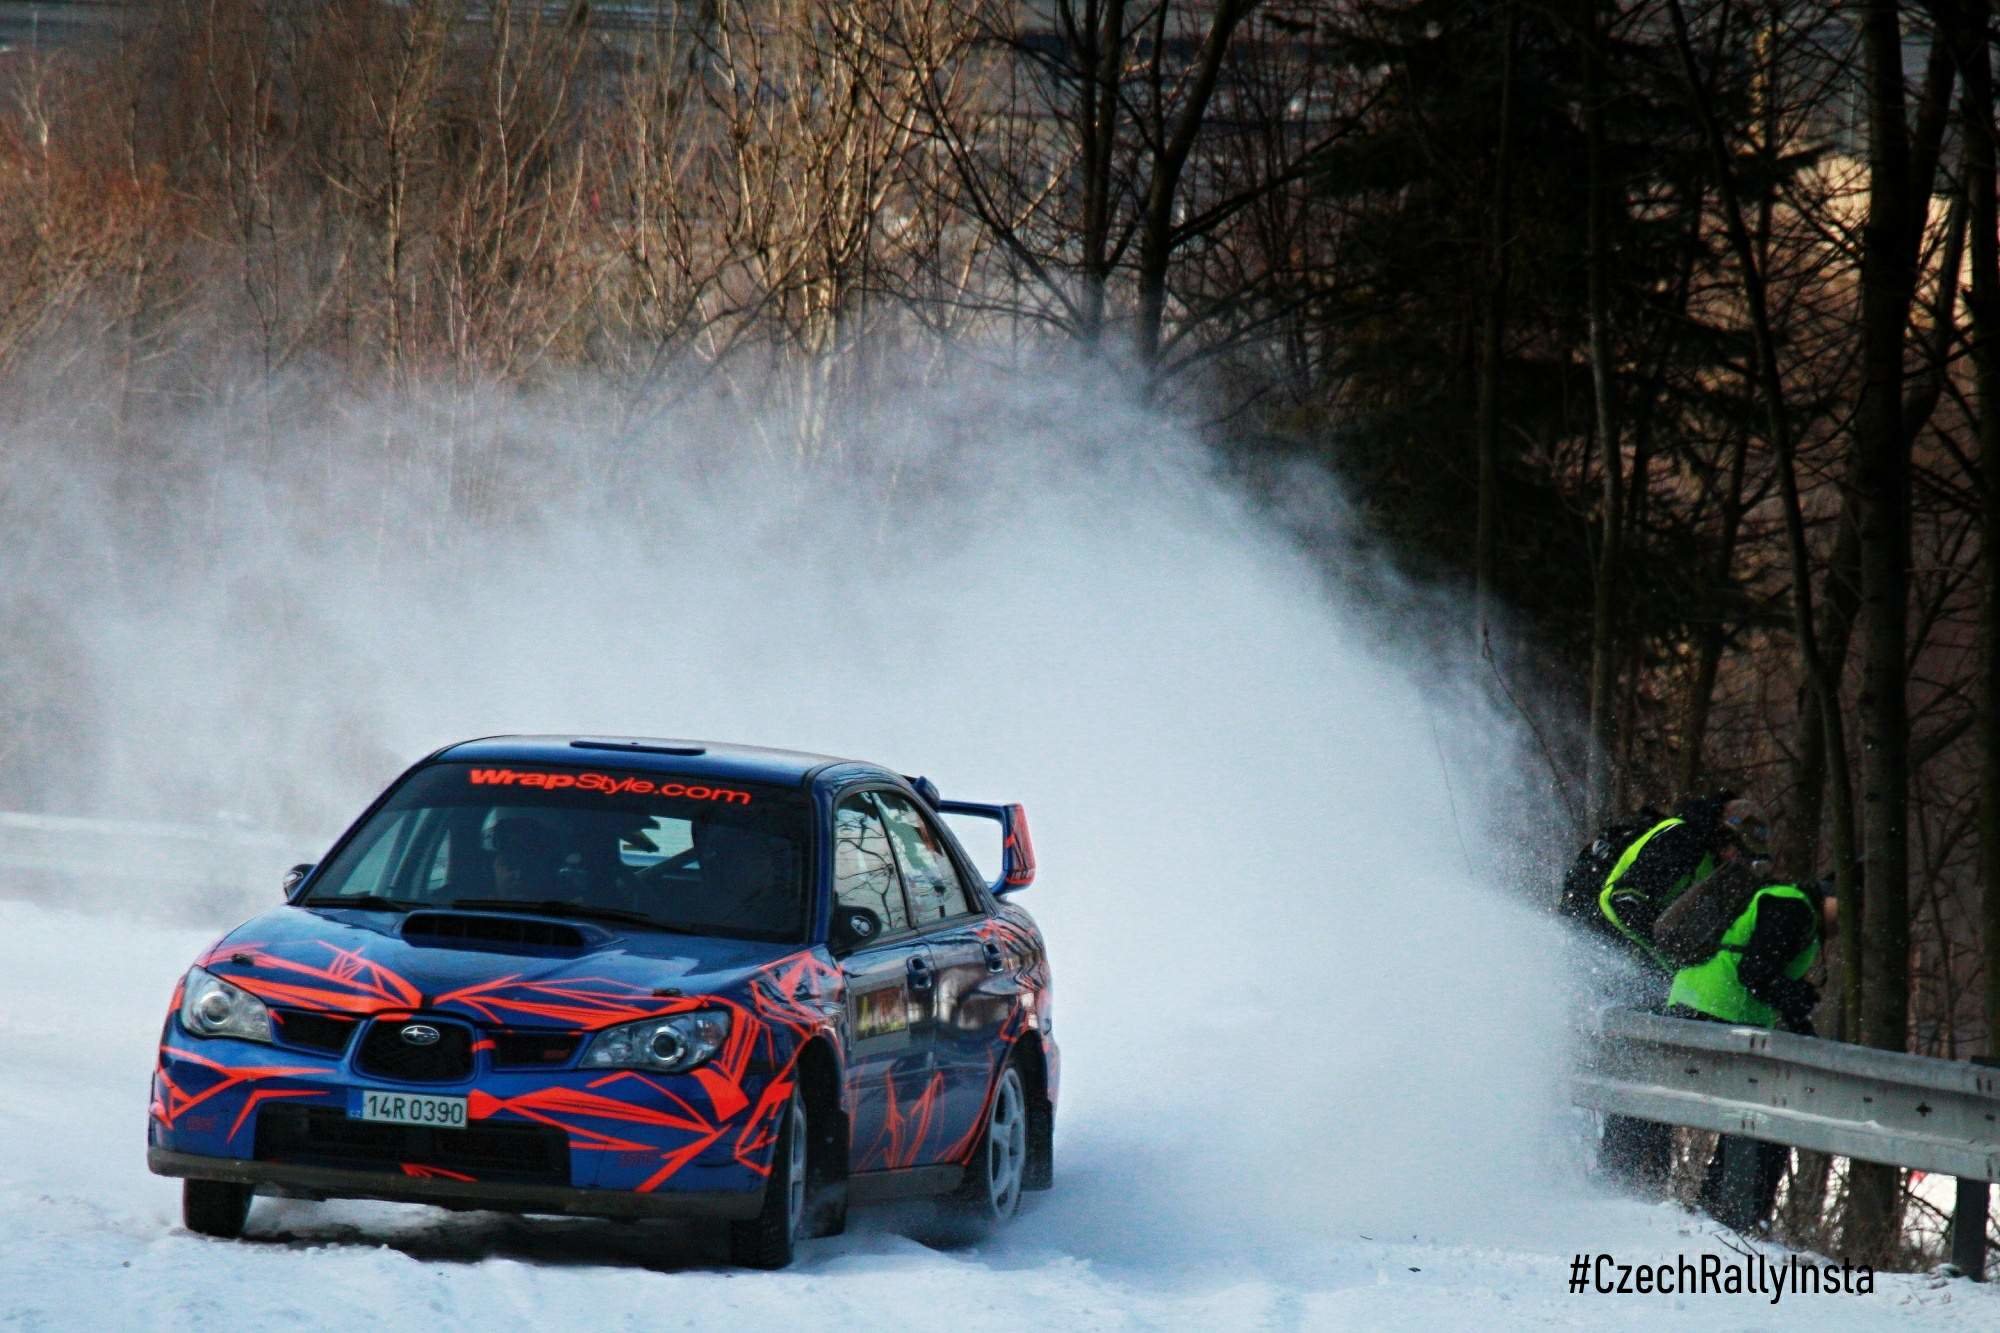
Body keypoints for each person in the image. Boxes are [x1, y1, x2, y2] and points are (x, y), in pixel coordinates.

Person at [1586, 793, 1748, 1188]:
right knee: (1640, 1071)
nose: (1734, 860)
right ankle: (1620, 1177)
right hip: (1613, 955)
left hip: (1643, 967)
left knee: (1653, 1075)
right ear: (1722, 832)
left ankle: (1642, 1181)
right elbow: (1619, 900)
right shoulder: (1681, 840)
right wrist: (1662, 958)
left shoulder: (1706, 855)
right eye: (1734, 849)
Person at [1665, 864, 1833, 1232]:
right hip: (1713, 1010)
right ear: (1830, 896)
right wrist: (1798, 998)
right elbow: (1755, 971)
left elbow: (1763, 971)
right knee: (1765, 1112)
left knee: (1756, 1112)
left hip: (1707, 1007)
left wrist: (1798, 1018)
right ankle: (1737, 1215)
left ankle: (1719, 1208)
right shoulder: (1792, 906)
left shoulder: (1795, 908)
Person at [490, 817, 562, 901]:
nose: (518, 875)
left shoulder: (571, 908)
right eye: (510, 865)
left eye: (528, 865)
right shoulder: (476, 907)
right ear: (495, 868)